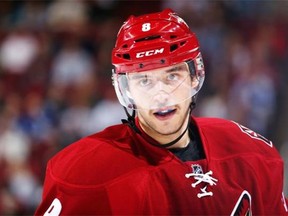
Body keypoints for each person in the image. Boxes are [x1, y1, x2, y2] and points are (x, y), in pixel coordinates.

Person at [35, 9, 288, 215]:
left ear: (194, 77)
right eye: (144, 80)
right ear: (126, 89)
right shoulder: (82, 175)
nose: (160, 94)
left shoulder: (252, 155)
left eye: (172, 75)